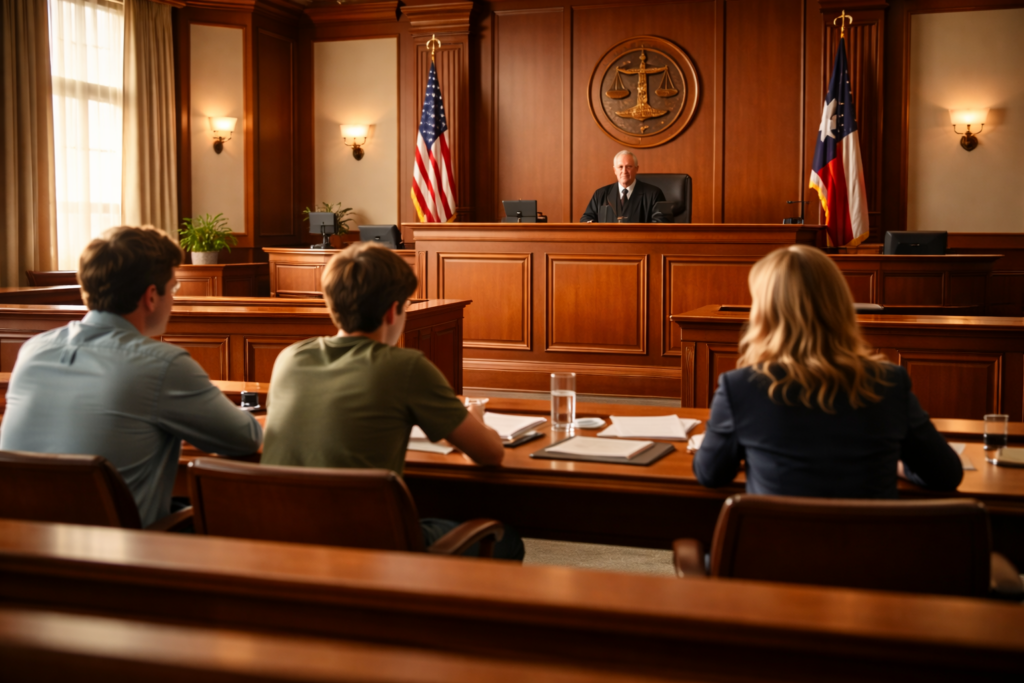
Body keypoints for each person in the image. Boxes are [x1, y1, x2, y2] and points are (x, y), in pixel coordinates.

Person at [261, 242, 524, 560]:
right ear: (391, 311)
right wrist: (477, 419)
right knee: (506, 539)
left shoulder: (289, 358)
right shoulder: (406, 366)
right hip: (368, 545)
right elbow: (490, 454)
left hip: (285, 536)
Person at [0, 226, 263, 526]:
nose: (174, 300)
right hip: (123, 558)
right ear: (151, 296)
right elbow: (245, 438)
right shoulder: (162, 365)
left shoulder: (33, 350)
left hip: (25, 550)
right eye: (173, 288)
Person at [693, 245, 963, 498]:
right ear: (840, 306)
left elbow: (710, 474)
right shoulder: (890, 381)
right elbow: (946, 474)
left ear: (763, 314)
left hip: (775, 549)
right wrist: (896, 463)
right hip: (869, 549)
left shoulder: (739, 387)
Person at [580, 150, 666, 223]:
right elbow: (586, 218)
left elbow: (662, 223)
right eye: (620, 167)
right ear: (614, 170)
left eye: (629, 167)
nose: (624, 171)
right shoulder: (600, 194)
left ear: (636, 169)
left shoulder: (654, 194)